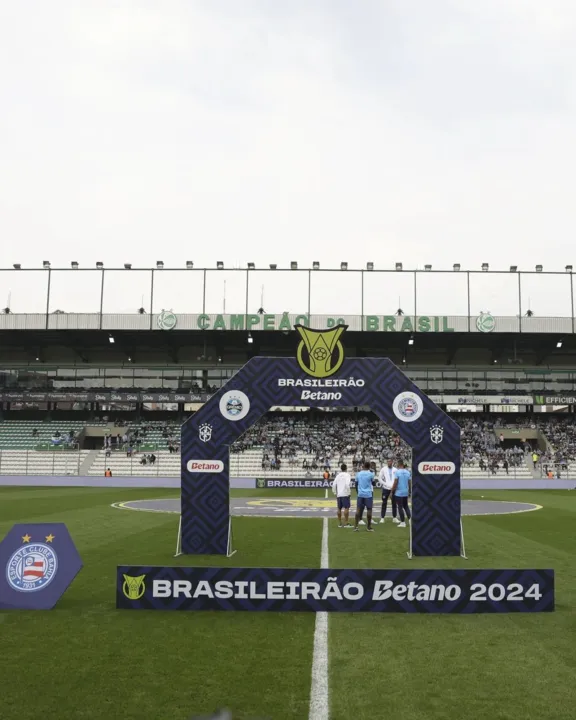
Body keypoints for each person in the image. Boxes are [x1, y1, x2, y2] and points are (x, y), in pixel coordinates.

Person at [354, 461, 376, 532]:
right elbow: (374, 484)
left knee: (358, 510)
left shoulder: (358, 474)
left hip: (360, 494)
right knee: (369, 510)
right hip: (368, 494)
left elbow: (356, 484)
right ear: (369, 467)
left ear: (363, 466)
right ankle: (368, 527)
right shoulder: (371, 474)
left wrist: (358, 492)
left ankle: (356, 527)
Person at [391, 460, 411, 528]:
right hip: (405, 492)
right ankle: (410, 520)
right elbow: (409, 482)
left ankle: (403, 522)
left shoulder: (397, 472)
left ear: (399, 464)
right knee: (406, 506)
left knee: (400, 507)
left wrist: (392, 491)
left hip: (399, 492)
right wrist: (409, 491)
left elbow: (395, 482)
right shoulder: (408, 472)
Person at [378, 458, 398, 524]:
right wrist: (385, 484)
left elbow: (397, 479)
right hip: (385, 488)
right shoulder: (383, 469)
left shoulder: (395, 470)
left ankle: (394, 518)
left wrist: (394, 486)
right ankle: (382, 518)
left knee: (394, 503)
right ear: (387, 462)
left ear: (392, 462)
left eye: (390, 461)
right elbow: (379, 478)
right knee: (384, 503)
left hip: (393, 489)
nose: (389, 462)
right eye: (388, 461)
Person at [332, 463, 352, 528]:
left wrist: (335, 493)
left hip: (339, 494)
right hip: (345, 493)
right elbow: (347, 484)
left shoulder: (338, 475)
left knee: (339, 508)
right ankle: (346, 523)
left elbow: (334, 485)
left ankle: (340, 523)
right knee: (346, 508)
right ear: (346, 468)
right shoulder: (347, 475)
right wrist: (349, 492)